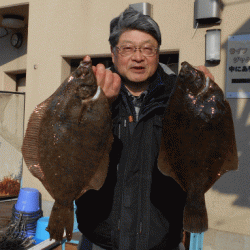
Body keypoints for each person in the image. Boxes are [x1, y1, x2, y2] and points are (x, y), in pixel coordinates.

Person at [75, 7, 214, 250]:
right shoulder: (89, 92)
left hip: (163, 241)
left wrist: (208, 102)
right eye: (128, 48)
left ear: (157, 53)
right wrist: (96, 107)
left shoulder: (182, 95)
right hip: (100, 241)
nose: (138, 57)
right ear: (113, 52)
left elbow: (209, 148)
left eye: (148, 48)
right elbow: (71, 153)